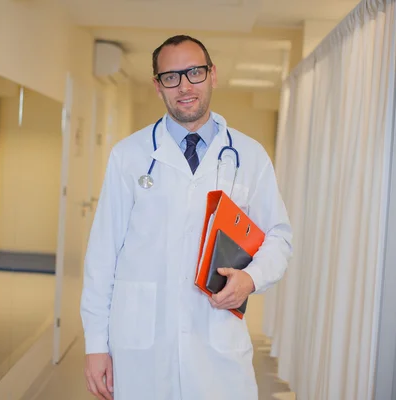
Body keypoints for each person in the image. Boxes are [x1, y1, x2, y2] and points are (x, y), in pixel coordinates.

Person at [80, 34, 292, 400]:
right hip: (142, 345)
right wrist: (96, 344)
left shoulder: (249, 156)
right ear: (158, 85)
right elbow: (102, 257)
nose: (184, 86)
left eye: (194, 72)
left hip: (216, 341)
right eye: (171, 77)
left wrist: (251, 279)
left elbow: (279, 237)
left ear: (212, 75)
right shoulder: (128, 156)